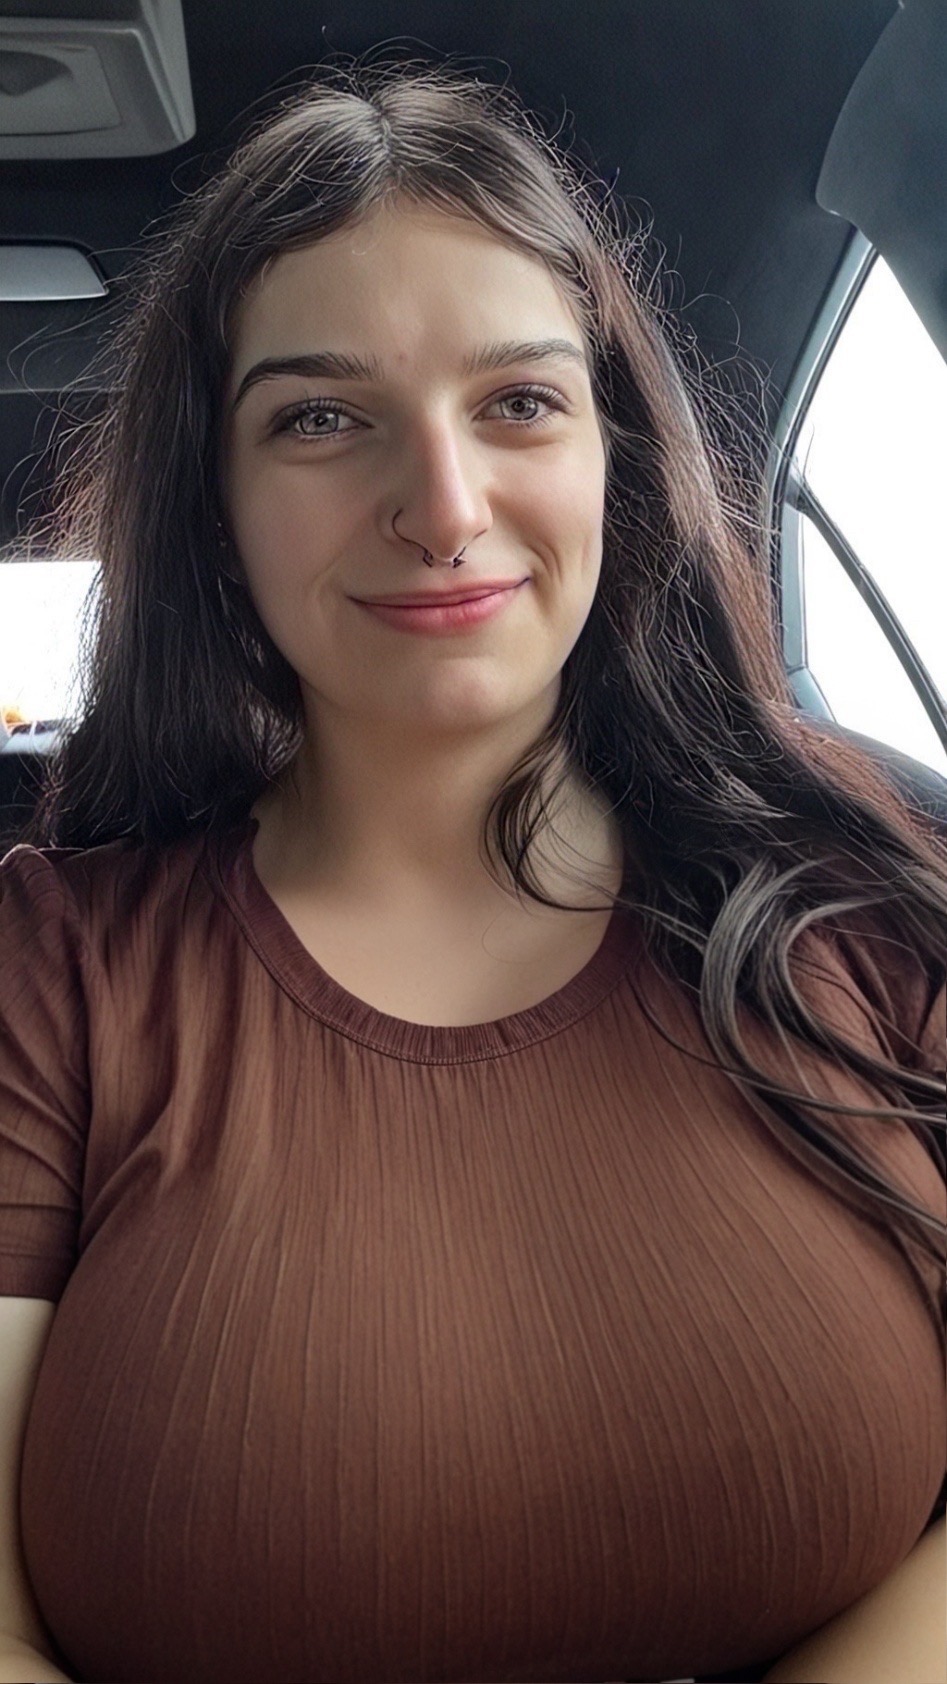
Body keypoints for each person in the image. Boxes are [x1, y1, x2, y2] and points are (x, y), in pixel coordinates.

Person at [0, 54, 944, 1684]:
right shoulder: (50, 976)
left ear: (612, 458)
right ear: (215, 506)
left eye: (518, 402)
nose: (443, 508)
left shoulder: (869, 901)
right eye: (319, 418)